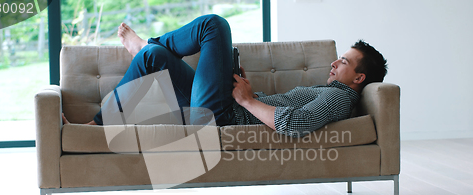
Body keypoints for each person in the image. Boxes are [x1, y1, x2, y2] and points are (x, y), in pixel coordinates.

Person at [62, 14, 387, 137]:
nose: (334, 63)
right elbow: (287, 112)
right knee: (154, 59)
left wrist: (246, 100)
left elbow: (296, 124)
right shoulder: (333, 91)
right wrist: (250, 93)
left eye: (343, 62)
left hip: (223, 116)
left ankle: (146, 44)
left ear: (359, 78)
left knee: (215, 26)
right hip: (225, 108)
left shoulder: (338, 97)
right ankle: (98, 122)